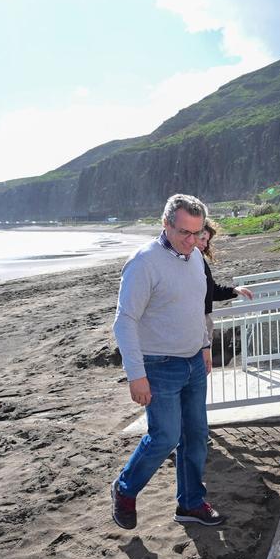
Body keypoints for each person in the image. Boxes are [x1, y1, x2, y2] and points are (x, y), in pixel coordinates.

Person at [110, 194, 223, 529]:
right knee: (165, 436)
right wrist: (136, 375)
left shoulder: (196, 259)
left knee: (196, 435)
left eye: (197, 233)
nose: (192, 241)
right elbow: (125, 320)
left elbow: (195, 307)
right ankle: (125, 489)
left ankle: (189, 503)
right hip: (158, 366)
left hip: (193, 363)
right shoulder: (144, 263)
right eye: (184, 233)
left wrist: (204, 345)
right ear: (166, 225)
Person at [197, 220, 254, 339]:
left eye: (207, 241)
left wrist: (234, 290)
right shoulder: (184, 262)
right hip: (193, 327)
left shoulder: (198, 260)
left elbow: (211, 291)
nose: (205, 244)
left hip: (201, 325)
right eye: (202, 239)